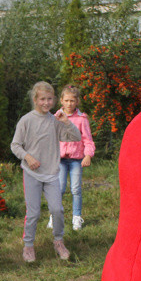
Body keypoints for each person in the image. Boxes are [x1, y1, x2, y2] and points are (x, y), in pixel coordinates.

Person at [11, 81, 81, 262]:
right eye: (42, 99)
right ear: (35, 100)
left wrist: (66, 122)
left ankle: (58, 241)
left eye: (50, 99)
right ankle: (28, 245)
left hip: (51, 174)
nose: (46, 103)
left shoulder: (55, 121)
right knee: (33, 213)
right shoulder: (26, 120)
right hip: (31, 173)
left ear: (55, 100)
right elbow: (15, 145)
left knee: (57, 210)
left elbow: (75, 137)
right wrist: (28, 157)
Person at [48, 84, 95, 232]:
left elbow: (87, 139)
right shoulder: (56, 118)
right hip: (60, 160)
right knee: (59, 189)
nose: (69, 103)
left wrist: (88, 155)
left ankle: (76, 218)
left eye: (72, 101)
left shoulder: (82, 119)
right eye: (67, 100)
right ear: (61, 100)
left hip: (76, 160)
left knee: (76, 189)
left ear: (77, 102)